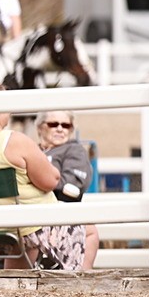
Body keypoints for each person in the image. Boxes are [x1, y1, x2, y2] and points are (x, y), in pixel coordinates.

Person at [0, 71, 86, 269]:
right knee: (79, 224)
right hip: (25, 229)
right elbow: (51, 180)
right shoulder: (13, 142)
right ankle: (75, 285)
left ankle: (16, 283)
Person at [36, 110, 99, 269]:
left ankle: (83, 278)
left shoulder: (74, 150)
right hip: (32, 212)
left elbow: (73, 184)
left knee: (89, 230)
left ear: (71, 129)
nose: (59, 129)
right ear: (40, 127)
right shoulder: (32, 150)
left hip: (58, 210)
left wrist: (36, 182)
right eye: (53, 124)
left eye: (65, 125)